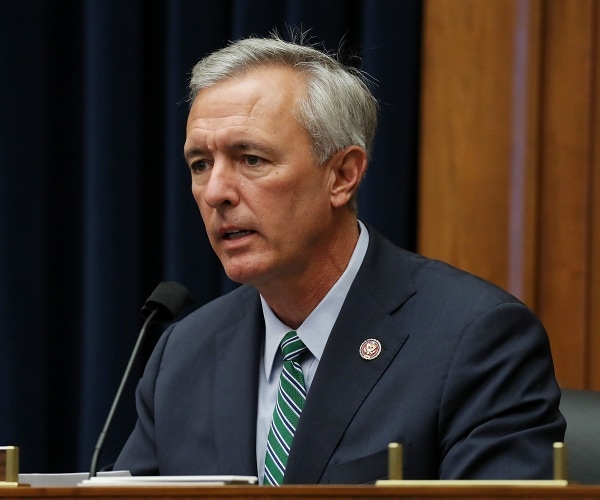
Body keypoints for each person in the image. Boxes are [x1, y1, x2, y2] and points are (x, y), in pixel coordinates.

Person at [113, 33, 565, 484]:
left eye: (250, 159)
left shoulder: (475, 338)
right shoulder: (183, 353)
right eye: (200, 165)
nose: (215, 192)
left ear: (343, 176)